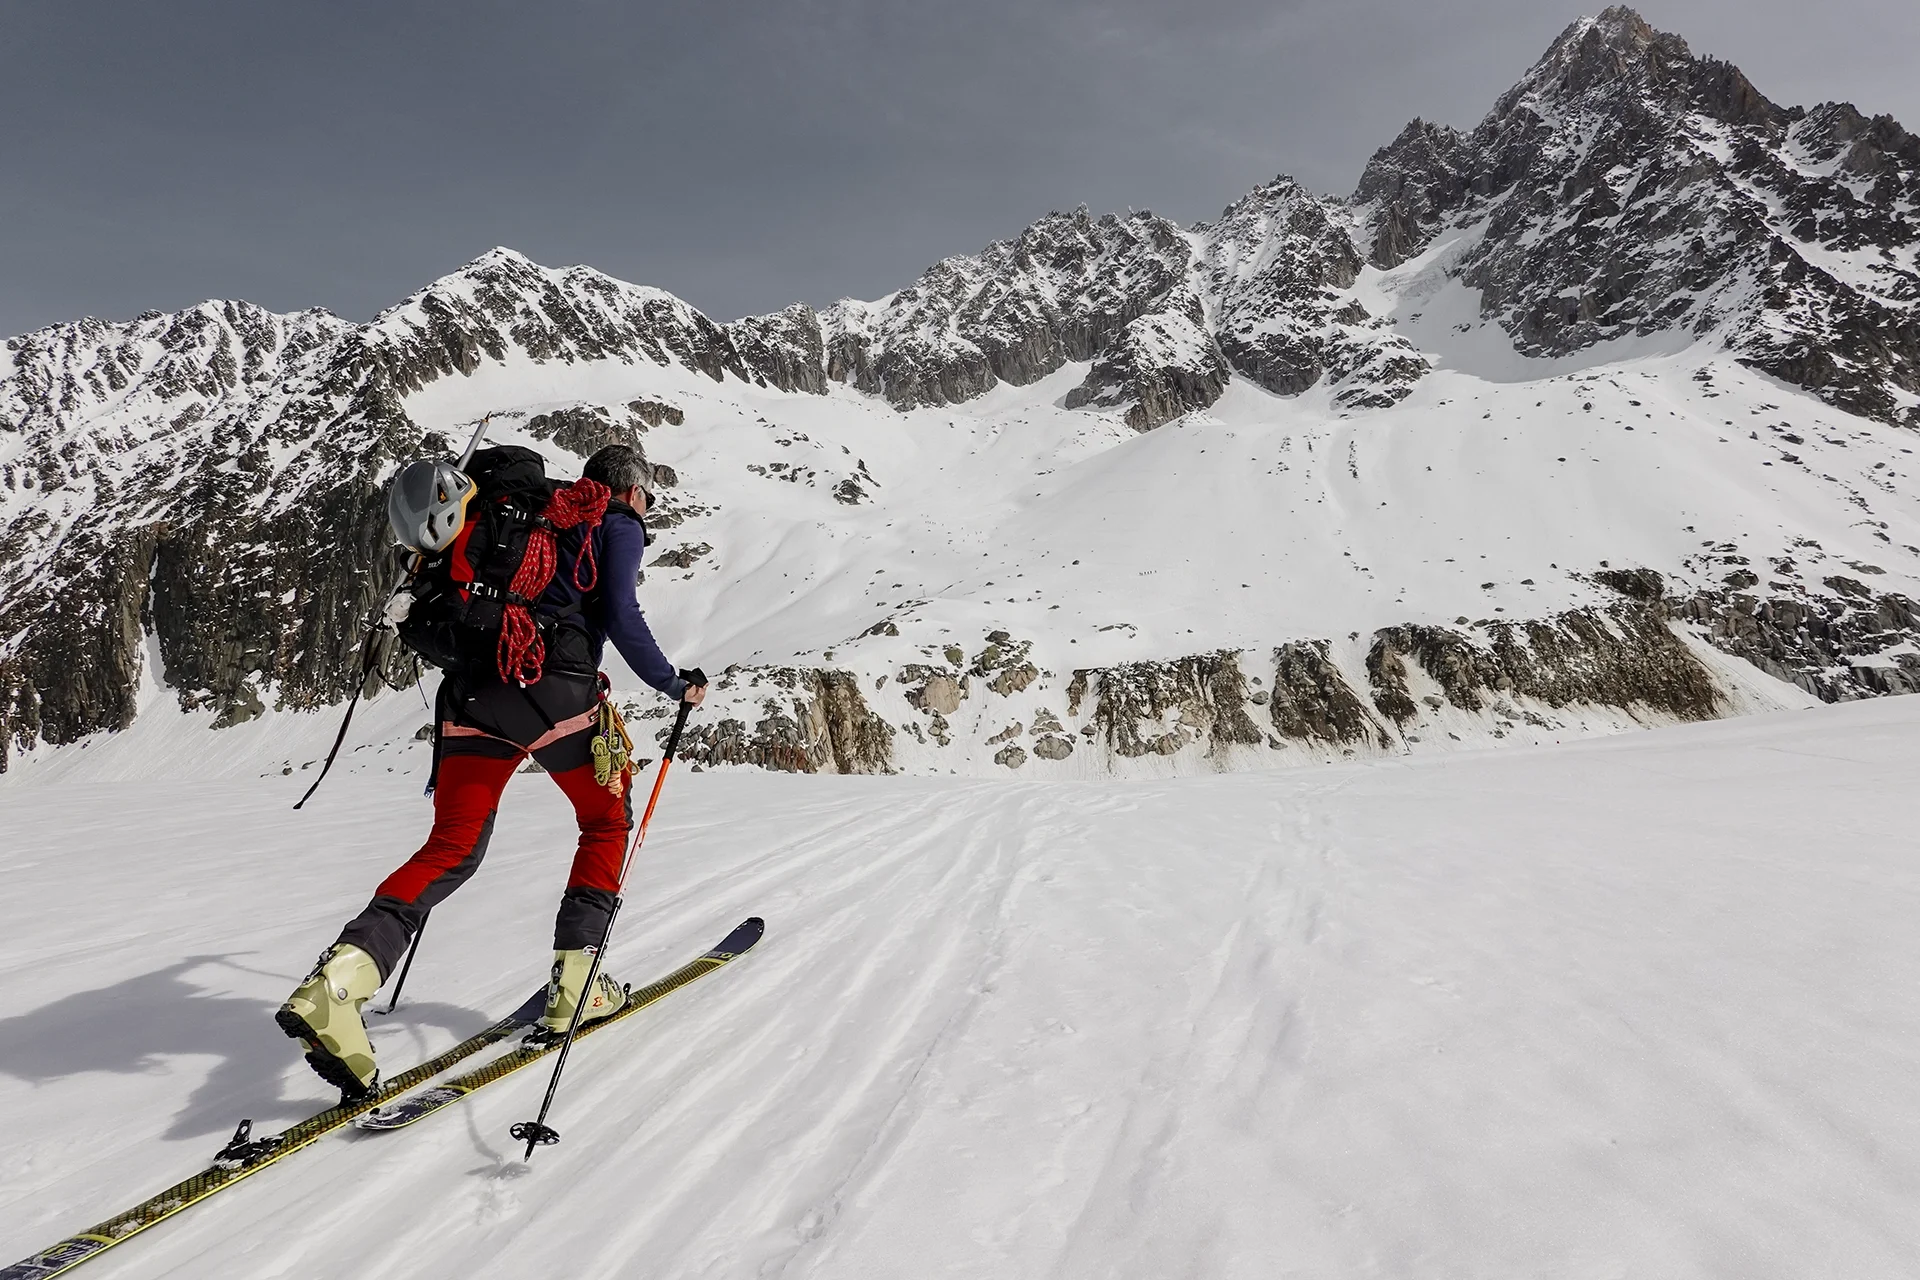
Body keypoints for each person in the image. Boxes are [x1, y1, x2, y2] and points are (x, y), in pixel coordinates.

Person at [278, 443, 706, 1098]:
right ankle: (576, 987)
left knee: (451, 846)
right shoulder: (610, 519)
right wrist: (673, 683)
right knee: (603, 818)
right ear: (632, 487)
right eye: (649, 493)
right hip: (552, 690)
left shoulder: (517, 515)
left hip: (471, 695)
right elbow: (620, 611)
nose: (649, 505)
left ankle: (337, 986)